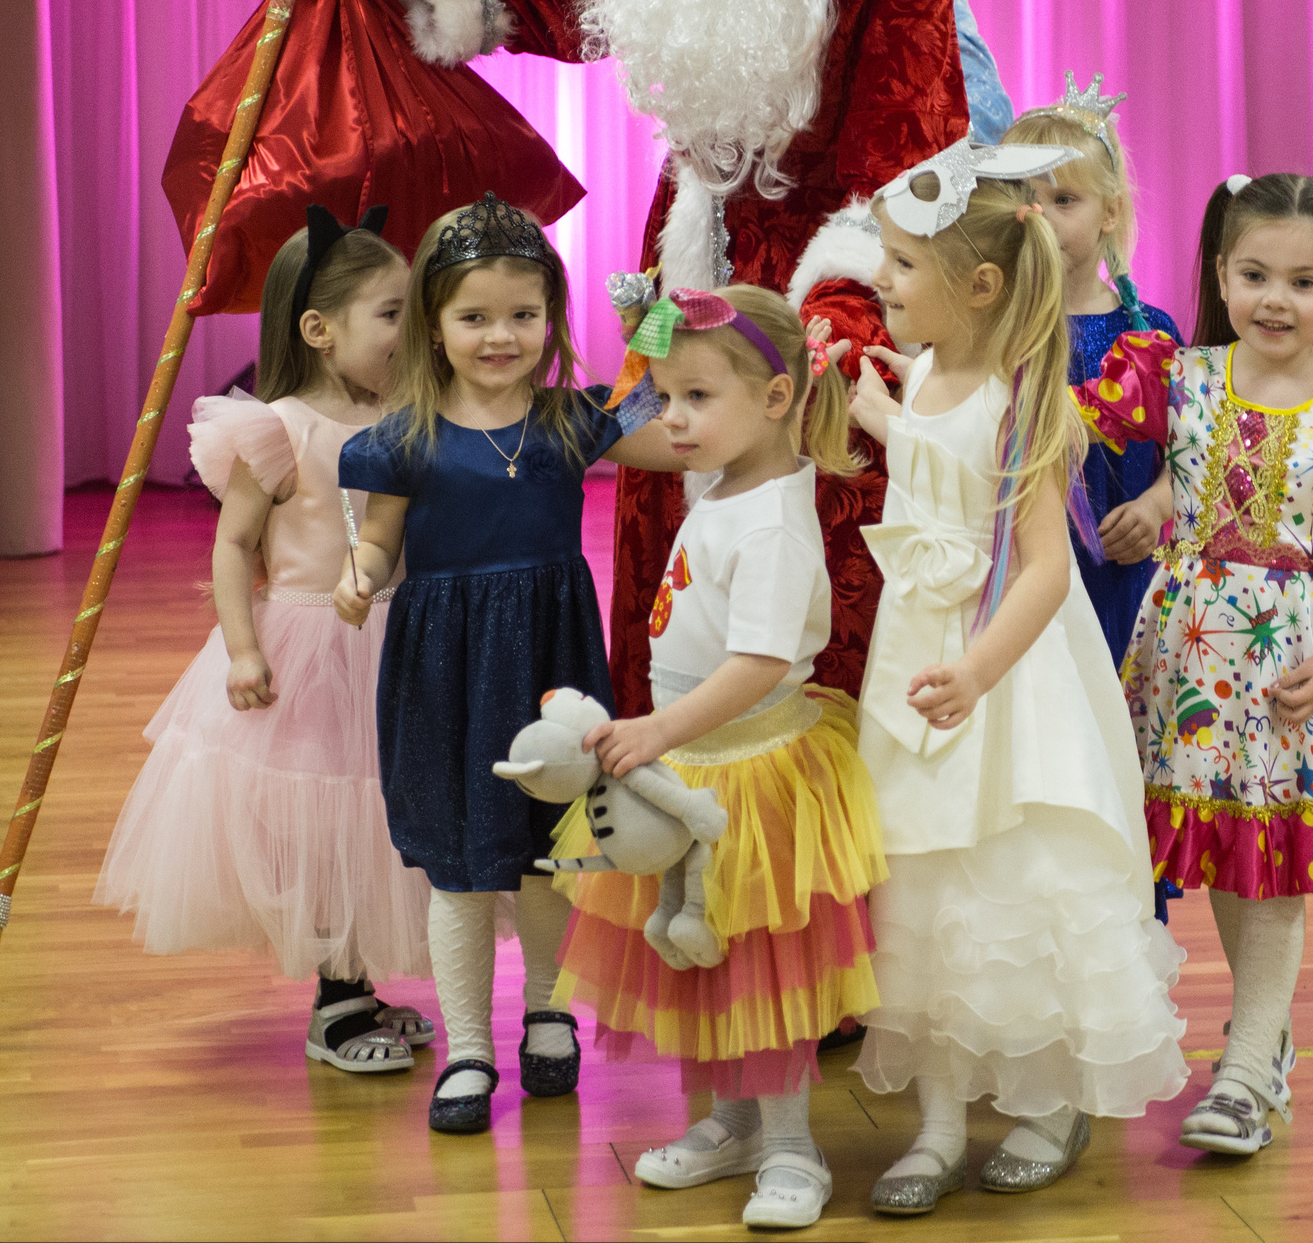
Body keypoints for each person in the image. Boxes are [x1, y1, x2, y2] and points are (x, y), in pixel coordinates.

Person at [376, 0, 967, 718]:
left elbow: (910, 152)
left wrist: (838, 314)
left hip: (826, 283)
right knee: (665, 499)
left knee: (807, 564)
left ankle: (798, 838)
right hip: (683, 263)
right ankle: (666, 793)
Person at [844, 137, 1189, 1217]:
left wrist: (981, 669)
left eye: (901, 266)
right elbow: (925, 467)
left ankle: (1047, 1102)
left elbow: (1045, 567)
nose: (882, 283)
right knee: (926, 879)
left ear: (977, 285)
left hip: (1001, 669)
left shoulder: (1022, 393)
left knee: (1017, 870)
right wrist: (871, 413)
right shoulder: (928, 370)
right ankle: (940, 1119)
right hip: (917, 656)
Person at [1077, 173, 1313, 1160]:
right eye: (1253, 274)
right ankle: (1263, 1036)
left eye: (1301, 280)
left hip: (1295, 676)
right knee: (1227, 860)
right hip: (1193, 665)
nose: (1274, 299)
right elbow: (1118, 442)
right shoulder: (1178, 374)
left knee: (1273, 863)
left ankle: (1244, 1071)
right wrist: (1157, 505)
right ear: (1219, 272)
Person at [332, 195, 679, 1135]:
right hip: (444, 668)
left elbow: (665, 424)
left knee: (548, 854)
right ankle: (469, 1050)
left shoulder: (568, 421)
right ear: (434, 328)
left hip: (551, 665)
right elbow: (378, 543)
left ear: (551, 320)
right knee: (460, 865)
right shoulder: (404, 439)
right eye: (474, 317)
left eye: (523, 315)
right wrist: (359, 577)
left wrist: (649, 324)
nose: (501, 336)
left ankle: (551, 1008)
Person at [548, 285, 887, 1230]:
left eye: (696, 399)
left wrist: (657, 732)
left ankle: (790, 1145)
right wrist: (649, 340)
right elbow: (643, 405)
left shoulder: (775, 520)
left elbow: (761, 661)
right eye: (669, 397)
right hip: (698, 764)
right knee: (702, 959)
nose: (674, 420)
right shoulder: (726, 479)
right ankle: (731, 1122)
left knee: (765, 967)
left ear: (776, 400)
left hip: (756, 767)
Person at [96, 206, 435, 1075]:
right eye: (392, 313)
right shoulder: (278, 427)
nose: (413, 329)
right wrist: (244, 649)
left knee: (382, 811)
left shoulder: (409, 416)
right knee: (325, 817)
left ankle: (355, 980)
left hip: (397, 638)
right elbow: (233, 545)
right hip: (311, 646)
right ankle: (334, 1007)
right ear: (319, 330)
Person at [1000, 79, 1181, 662]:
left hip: (1125, 571)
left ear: (1110, 213)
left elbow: (1195, 450)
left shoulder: (1150, 334)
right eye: (1022, 198)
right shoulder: (994, 333)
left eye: (1063, 200)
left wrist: (1157, 504)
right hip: (1022, 574)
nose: (1039, 217)